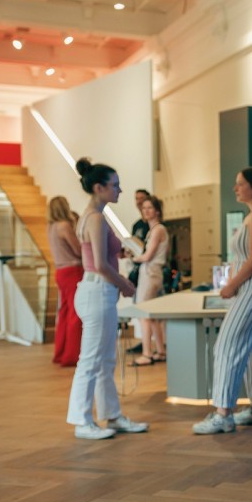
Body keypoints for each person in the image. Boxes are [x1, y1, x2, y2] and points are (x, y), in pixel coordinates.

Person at [193, 167, 252, 434]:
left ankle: (223, 413)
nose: (236, 188)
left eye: (240, 183)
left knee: (226, 346)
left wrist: (231, 285)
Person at [66, 158, 149, 440]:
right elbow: (100, 264)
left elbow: (99, 258)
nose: (120, 190)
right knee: (92, 360)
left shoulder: (89, 215)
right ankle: (82, 421)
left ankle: (112, 415)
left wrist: (119, 258)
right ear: (99, 187)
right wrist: (125, 283)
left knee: (104, 360)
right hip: (98, 290)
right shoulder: (96, 218)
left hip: (95, 290)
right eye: (115, 185)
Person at [129, 195, 169, 365]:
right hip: (152, 273)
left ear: (157, 211)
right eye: (144, 208)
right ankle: (160, 351)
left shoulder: (158, 229)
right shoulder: (155, 230)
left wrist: (134, 257)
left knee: (143, 314)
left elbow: (147, 256)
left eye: (149, 208)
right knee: (152, 316)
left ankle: (147, 353)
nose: (145, 211)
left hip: (150, 273)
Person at [47, 196, 83, 366]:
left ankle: (60, 352)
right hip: (73, 271)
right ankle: (72, 355)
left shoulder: (51, 227)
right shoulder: (64, 226)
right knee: (75, 313)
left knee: (63, 313)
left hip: (60, 271)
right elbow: (78, 250)